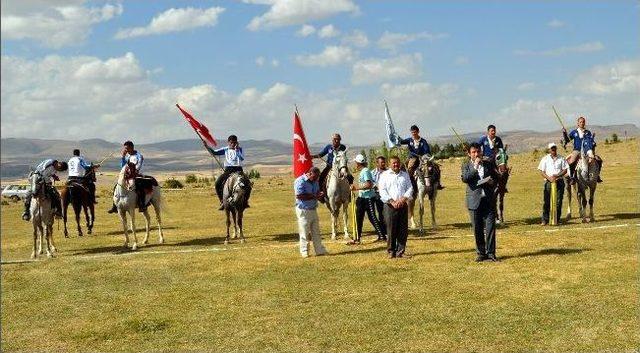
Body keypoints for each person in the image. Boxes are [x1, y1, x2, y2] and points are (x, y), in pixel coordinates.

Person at [461, 142, 499, 262]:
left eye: (478, 151)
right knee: (477, 228)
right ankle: (481, 253)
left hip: (488, 200)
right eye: (473, 152)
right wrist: (475, 167)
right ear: (469, 154)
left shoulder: (488, 164)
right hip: (474, 201)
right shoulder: (466, 166)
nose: (476, 154)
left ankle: (491, 253)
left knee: (490, 227)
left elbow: (496, 178)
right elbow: (466, 178)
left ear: (481, 152)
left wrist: (492, 182)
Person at [378, 156, 413, 259]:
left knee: (403, 230)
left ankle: (400, 252)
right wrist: (392, 201)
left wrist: (403, 199)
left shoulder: (405, 175)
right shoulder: (384, 175)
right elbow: (382, 190)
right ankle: (391, 251)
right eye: (393, 163)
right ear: (390, 164)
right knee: (391, 229)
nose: (396, 164)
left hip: (403, 205)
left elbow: (410, 188)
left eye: (397, 163)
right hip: (390, 206)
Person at [205, 135, 251, 211]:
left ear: (237, 142)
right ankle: (222, 201)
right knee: (217, 183)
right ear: (228, 142)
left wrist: (237, 150)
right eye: (231, 142)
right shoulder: (225, 149)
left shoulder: (240, 149)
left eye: (234, 142)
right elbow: (214, 152)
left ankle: (245, 202)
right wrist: (207, 146)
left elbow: (241, 158)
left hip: (238, 169)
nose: (233, 144)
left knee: (248, 184)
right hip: (228, 170)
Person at [350, 154, 387, 243]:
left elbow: (369, 184)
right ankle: (357, 238)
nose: (355, 164)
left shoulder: (365, 171)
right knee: (358, 218)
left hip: (368, 198)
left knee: (372, 218)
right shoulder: (363, 171)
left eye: (356, 162)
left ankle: (382, 236)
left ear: (358, 163)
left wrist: (356, 188)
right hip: (362, 197)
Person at [294, 167, 328, 258]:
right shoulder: (300, 181)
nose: (316, 179)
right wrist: (315, 196)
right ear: (309, 173)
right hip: (303, 210)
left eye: (317, 177)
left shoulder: (315, 182)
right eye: (315, 176)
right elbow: (299, 195)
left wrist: (321, 195)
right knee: (304, 232)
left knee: (316, 232)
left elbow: (317, 193)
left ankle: (319, 250)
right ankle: (304, 251)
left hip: (313, 209)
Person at [399, 125, 444, 190]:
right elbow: (401, 141)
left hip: (422, 158)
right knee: (403, 167)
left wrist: (424, 156)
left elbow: (427, 151)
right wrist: (395, 137)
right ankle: (409, 184)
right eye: (412, 132)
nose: (413, 133)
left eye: (415, 132)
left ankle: (438, 183)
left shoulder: (423, 141)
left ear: (418, 132)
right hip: (412, 158)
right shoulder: (409, 140)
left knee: (436, 167)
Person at [562, 116, 602, 183]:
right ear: (578, 123)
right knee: (571, 161)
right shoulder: (574, 132)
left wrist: (593, 142)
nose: (582, 123)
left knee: (598, 159)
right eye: (580, 122)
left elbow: (590, 141)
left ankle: (597, 175)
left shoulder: (588, 132)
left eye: (583, 122)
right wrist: (564, 133)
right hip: (577, 150)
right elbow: (567, 140)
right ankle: (572, 177)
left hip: (587, 150)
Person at [537, 143, 569, 226]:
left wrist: (557, 175)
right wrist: (549, 178)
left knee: (559, 201)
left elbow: (565, 169)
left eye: (554, 148)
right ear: (549, 150)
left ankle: (556, 219)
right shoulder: (545, 159)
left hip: (559, 182)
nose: (553, 150)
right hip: (548, 182)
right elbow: (541, 171)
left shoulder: (561, 158)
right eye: (552, 149)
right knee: (547, 201)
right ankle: (545, 220)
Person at [108, 141, 144, 213]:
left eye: (127, 148)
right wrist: (123, 157)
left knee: (140, 187)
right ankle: (115, 206)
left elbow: (139, 165)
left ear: (132, 147)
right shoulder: (127, 156)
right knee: (116, 186)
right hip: (127, 176)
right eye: (125, 149)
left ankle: (142, 205)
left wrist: (134, 171)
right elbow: (122, 166)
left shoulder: (139, 155)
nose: (126, 150)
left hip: (136, 175)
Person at [371, 156, 388, 241]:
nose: (383, 164)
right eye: (382, 162)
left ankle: (385, 232)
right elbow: (370, 182)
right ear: (377, 163)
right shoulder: (372, 173)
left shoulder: (388, 172)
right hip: (375, 195)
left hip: (385, 195)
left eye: (384, 162)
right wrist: (375, 185)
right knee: (377, 214)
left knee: (384, 214)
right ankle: (382, 232)